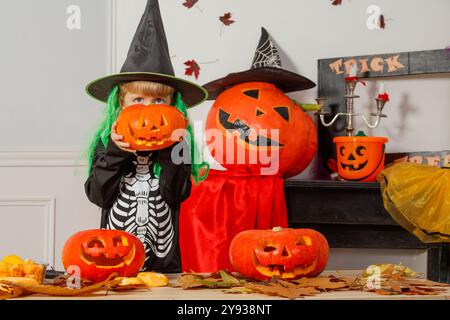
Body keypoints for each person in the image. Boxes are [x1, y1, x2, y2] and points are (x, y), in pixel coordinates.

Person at [83, 0, 208, 272]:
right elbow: (99, 196)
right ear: (122, 103)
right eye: (138, 99)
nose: (149, 112)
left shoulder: (180, 144)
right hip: (113, 260)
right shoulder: (107, 143)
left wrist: (171, 148)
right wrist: (117, 151)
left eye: (159, 101)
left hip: (165, 264)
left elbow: (177, 195)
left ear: (174, 105)